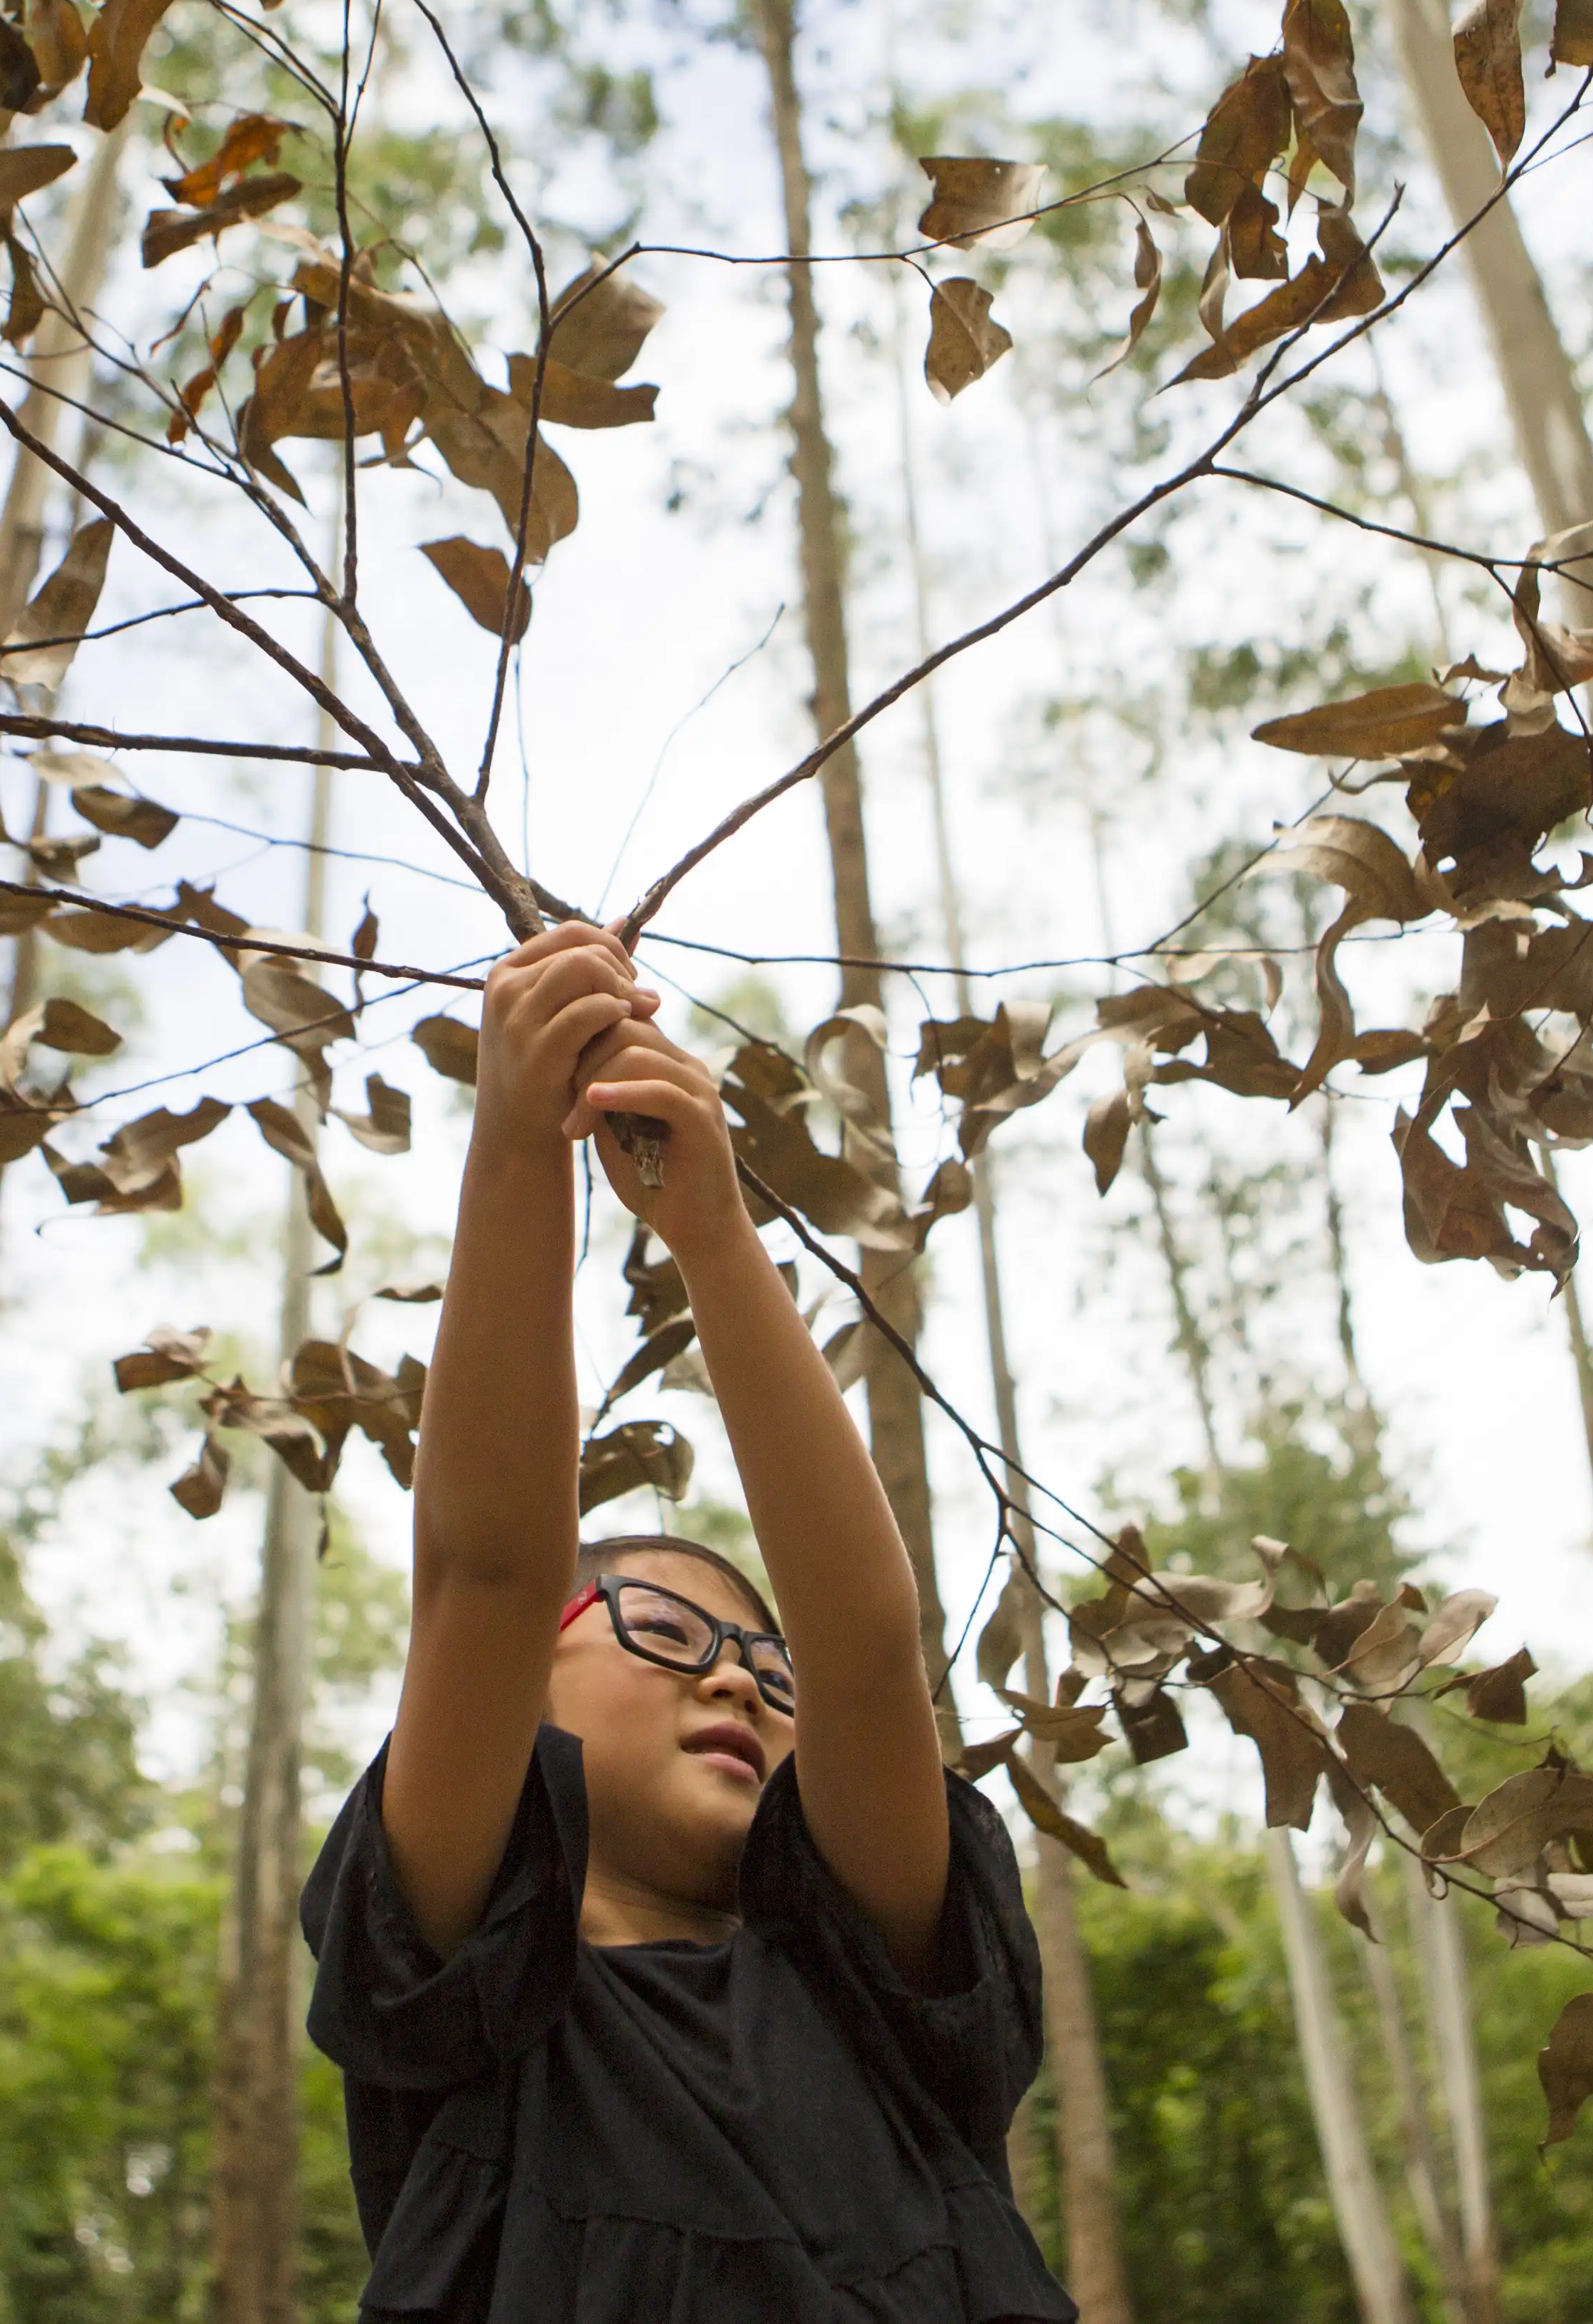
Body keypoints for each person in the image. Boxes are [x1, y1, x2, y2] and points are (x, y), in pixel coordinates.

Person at [300, 921, 1078, 2321]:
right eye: (667, 1627)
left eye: (763, 1663)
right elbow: (484, 1580)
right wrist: (519, 1140)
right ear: (531, 1689)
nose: (742, 1679)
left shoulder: (882, 2001)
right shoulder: (461, 2014)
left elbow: (862, 1652)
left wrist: (714, 1227)